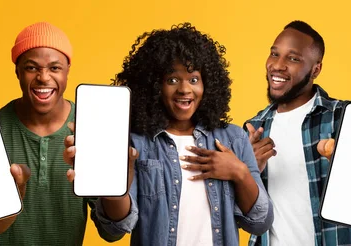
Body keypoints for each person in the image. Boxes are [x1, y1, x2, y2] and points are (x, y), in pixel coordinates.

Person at [63, 22, 274, 246]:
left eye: (194, 79)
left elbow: (260, 222)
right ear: (154, 86)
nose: (184, 89)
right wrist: (114, 182)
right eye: (172, 80)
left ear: (208, 84)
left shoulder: (233, 139)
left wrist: (239, 172)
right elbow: (114, 229)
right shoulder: (136, 143)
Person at [0, 22, 120, 246]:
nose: (43, 77)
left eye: (55, 68)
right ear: (17, 71)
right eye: (32, 68)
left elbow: (112, 232)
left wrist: (120, 182)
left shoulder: (88, 128)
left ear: (68, 71)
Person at [244, 20, 351, 246]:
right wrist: (247, 173)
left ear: (316, 69)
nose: (277, 65)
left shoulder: (342, 119)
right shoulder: (253, 128)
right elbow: (245, 216)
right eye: (274, 54)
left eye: (293, 58)